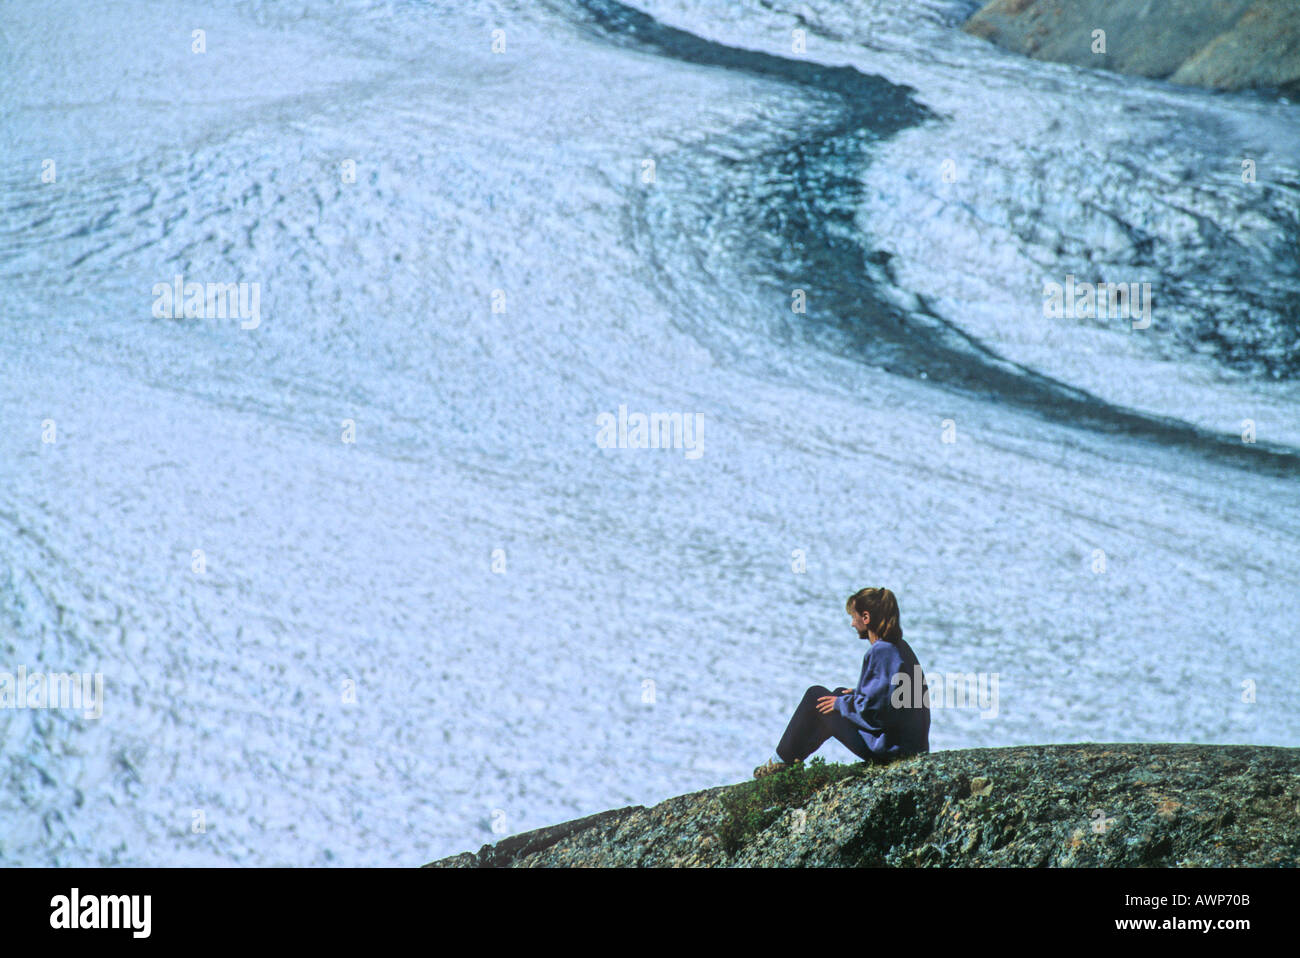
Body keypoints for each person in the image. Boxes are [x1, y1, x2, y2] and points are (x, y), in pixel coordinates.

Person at [754, 587, 930, 778]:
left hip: (890, 749)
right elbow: (890, 699)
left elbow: (875, 711)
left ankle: (779, 763)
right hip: (908, 744)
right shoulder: (899, 648)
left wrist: (841, 703)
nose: (852, 623)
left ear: (866, 617)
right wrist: (853, 696)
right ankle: (788, 763)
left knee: (816, 696)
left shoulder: (881, 652)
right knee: (837, 694)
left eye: (854, 617)